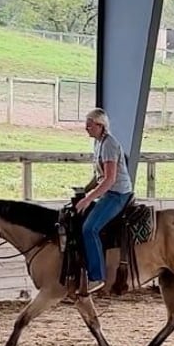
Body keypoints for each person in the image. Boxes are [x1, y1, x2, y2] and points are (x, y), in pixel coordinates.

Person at [75, 107, 133, 294]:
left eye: (89, 124)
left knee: (90, 228)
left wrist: (87, 199)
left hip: (117, 193)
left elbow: (109, 179)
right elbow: (98, 176)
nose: (86, 128)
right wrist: (84, 190)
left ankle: (97, 276)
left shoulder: (109, 145)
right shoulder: (98, 143)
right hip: (108, 191)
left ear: (100, 126)